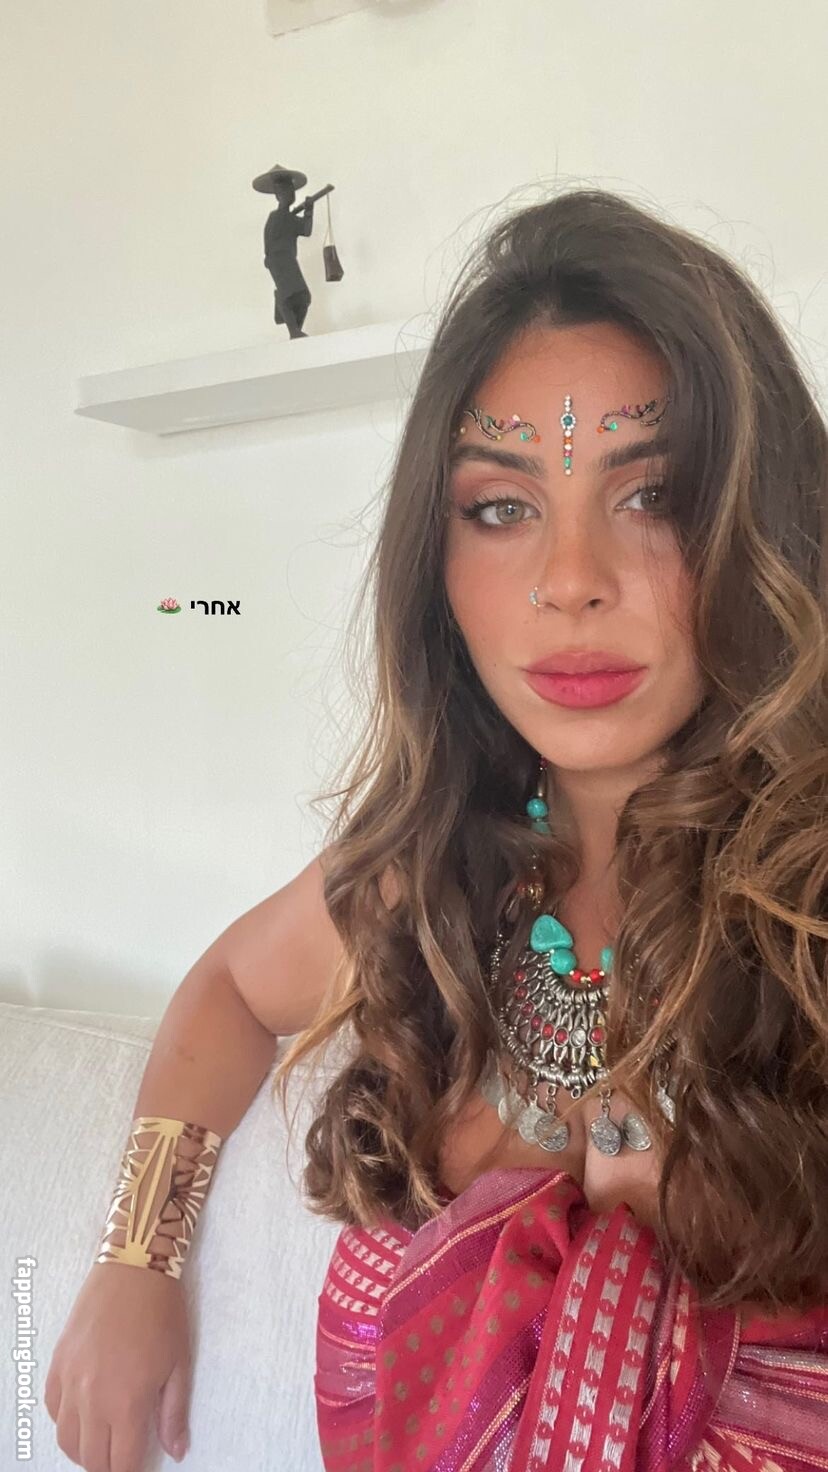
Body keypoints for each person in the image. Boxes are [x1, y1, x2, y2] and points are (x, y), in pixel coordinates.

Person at [46, 187, 828, 1471]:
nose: (570, 580)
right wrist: (137, 1258)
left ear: (767, 523)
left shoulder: (806, 900)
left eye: (656, 494)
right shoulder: (434, 870)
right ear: (436, 564)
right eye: (502, 508)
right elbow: (229, 990)